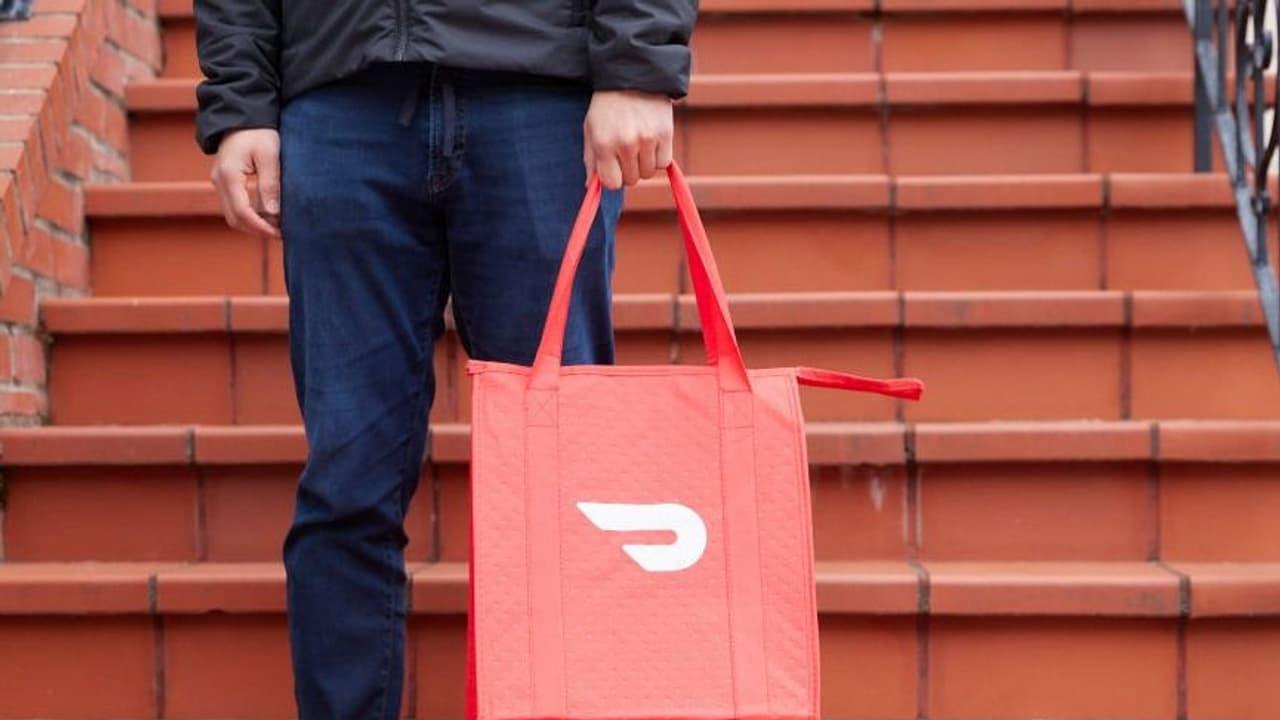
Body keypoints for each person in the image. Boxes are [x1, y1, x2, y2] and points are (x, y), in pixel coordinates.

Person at [192, 3, 697, 720]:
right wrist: (241, 104)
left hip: (539, 93)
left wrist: (638, 68)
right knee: (346, 486)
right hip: (340, 100)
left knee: (562, 484)